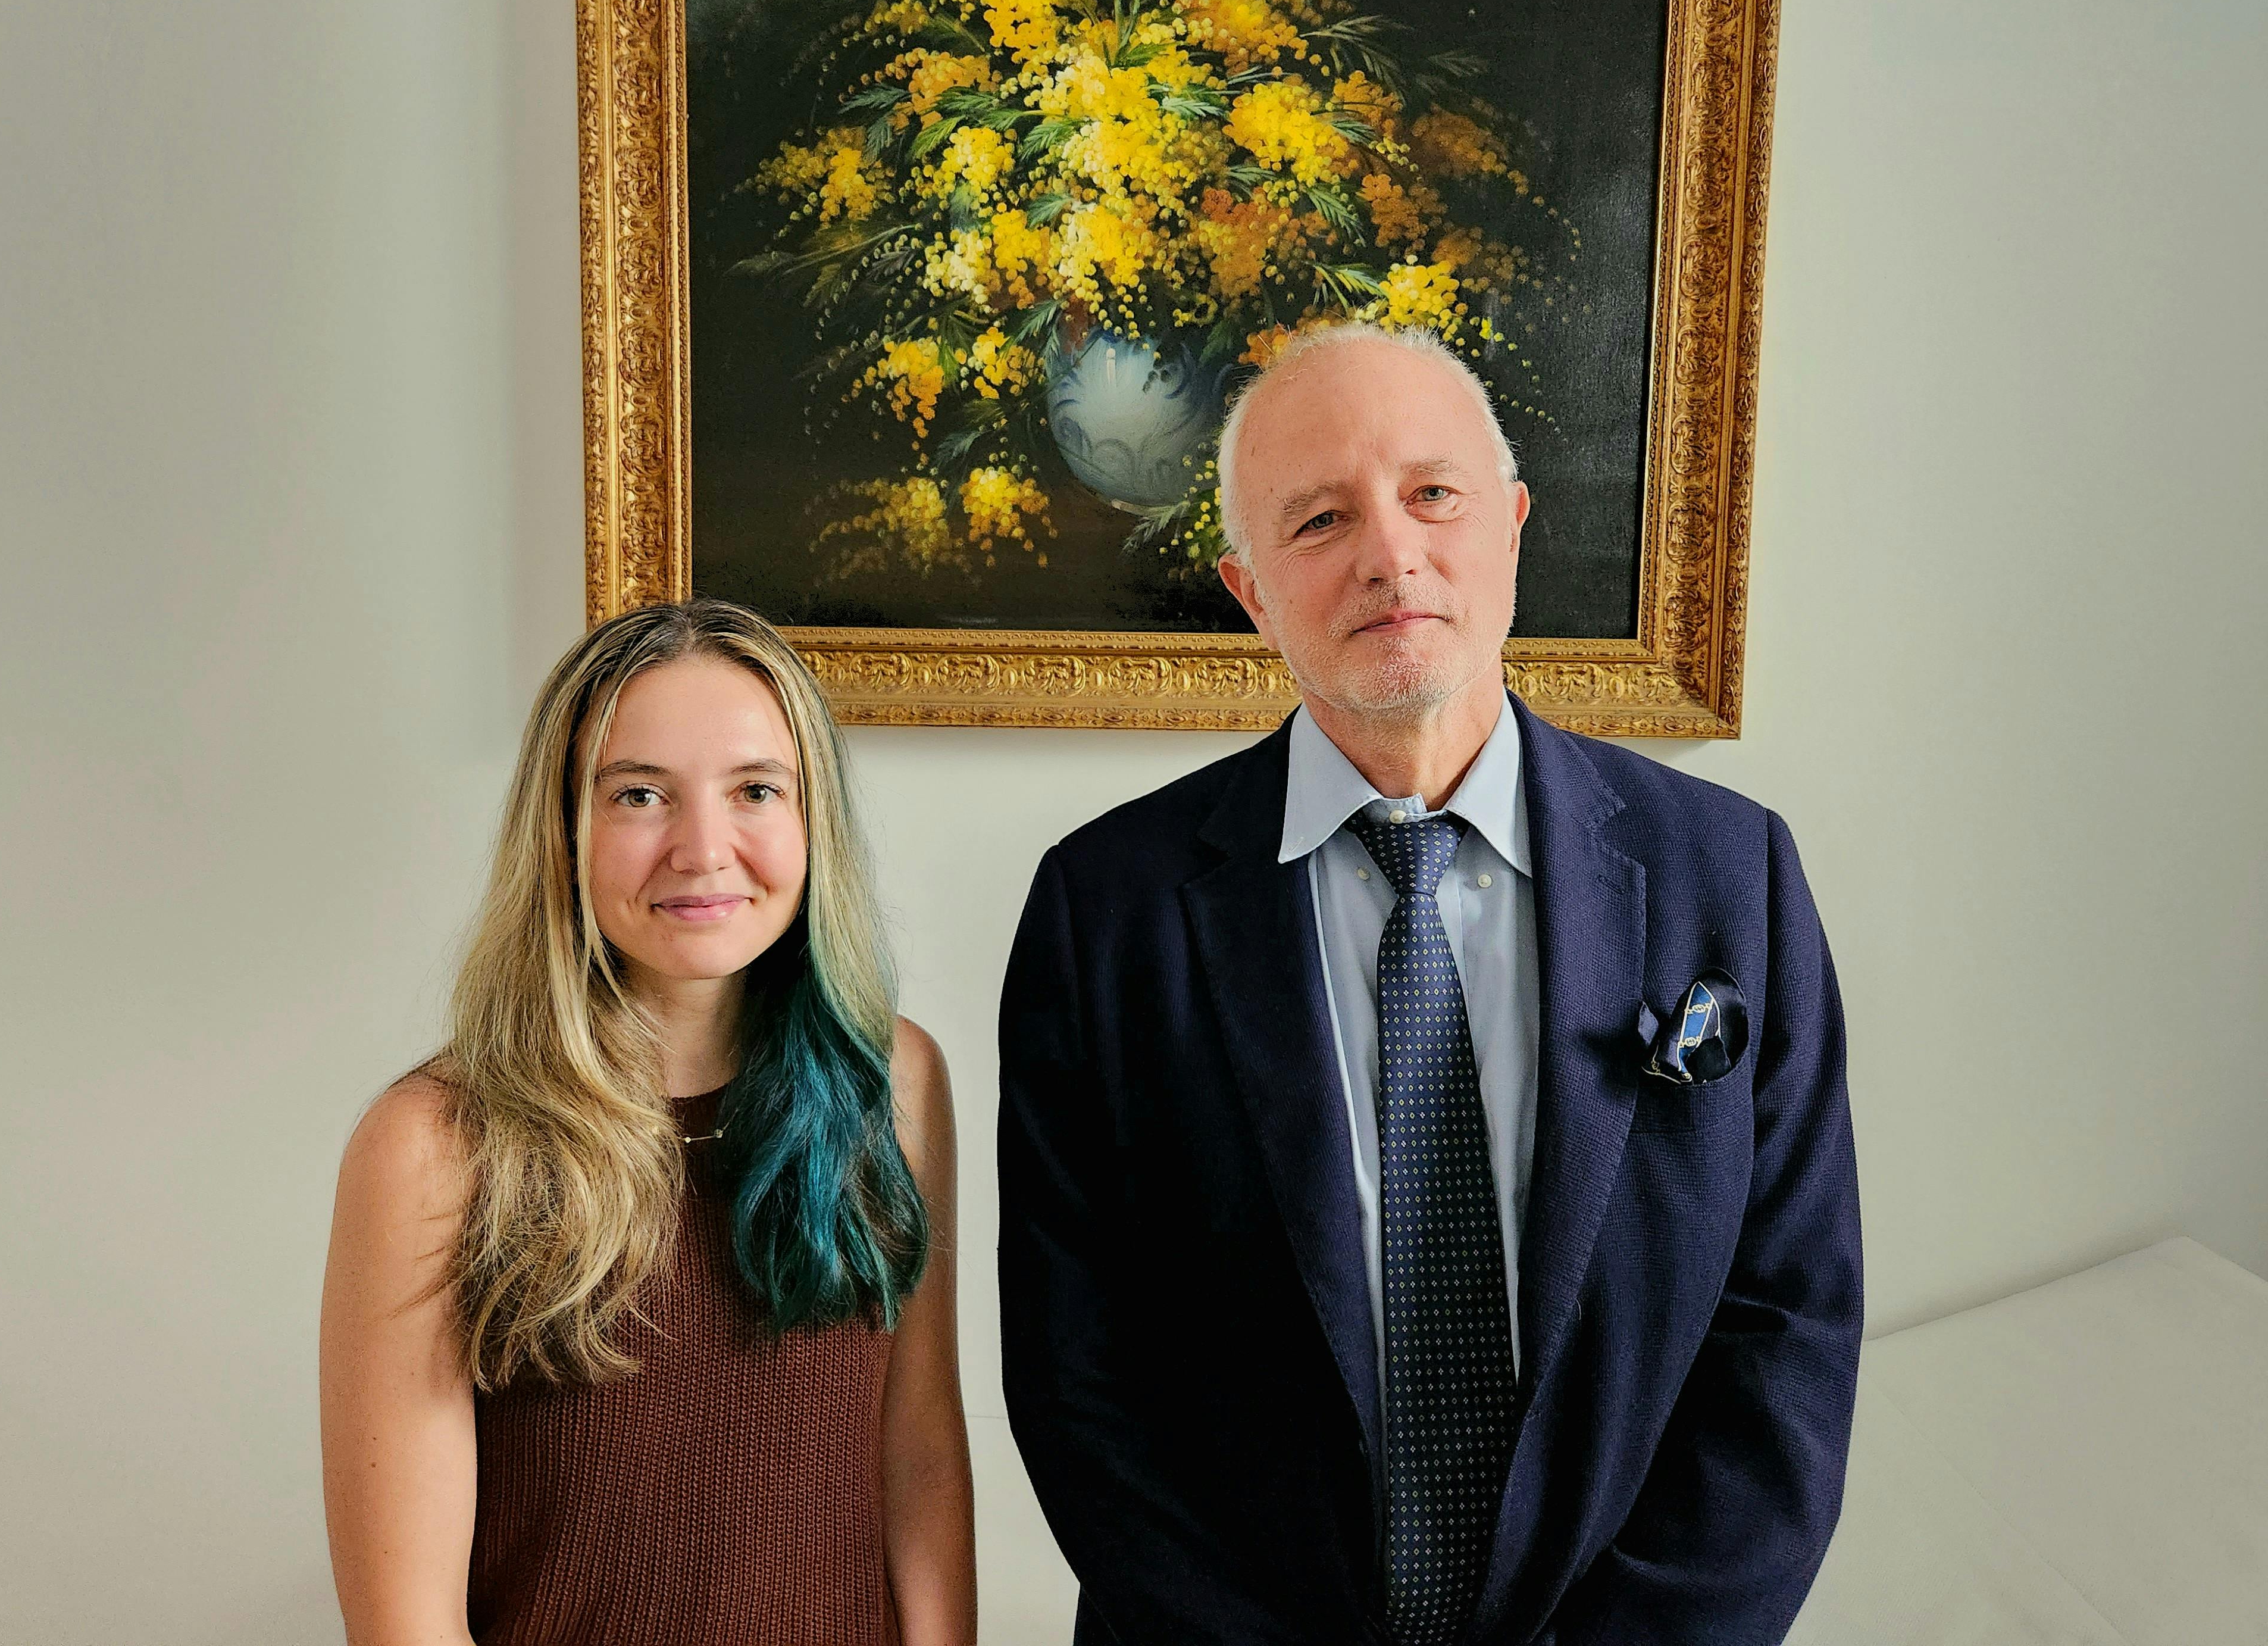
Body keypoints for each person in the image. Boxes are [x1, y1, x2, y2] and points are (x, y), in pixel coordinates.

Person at [999, 324, 1862, 1645]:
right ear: (1249, 589)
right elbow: (1081, 1385)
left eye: (1432, 495)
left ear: (1510, 527)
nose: (1389, 553)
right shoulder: (1103, 910)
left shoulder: (1725, 874)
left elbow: (1785, 1328)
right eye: (1319, 518)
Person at [321, 598, 976, 1646]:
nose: (703, 850)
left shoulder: (894, 1083)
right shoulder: (434, 1146)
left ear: (813, 821)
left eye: (757, 790)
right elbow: (408, 1622)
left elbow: (921, 1458)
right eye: (638, 796)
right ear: (563, 828)